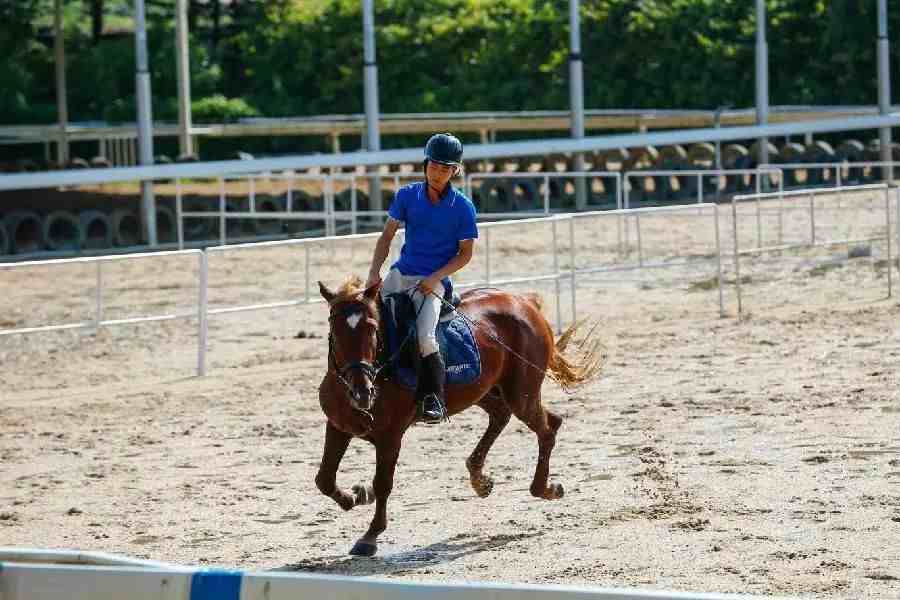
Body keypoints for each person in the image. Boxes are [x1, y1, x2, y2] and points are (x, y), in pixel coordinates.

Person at [366, 133, 478, 424]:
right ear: (426, 164)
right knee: (365, 318)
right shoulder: (406, 196)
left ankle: (433, 399)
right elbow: (386, 237)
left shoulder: (463, 207)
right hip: (401, 273)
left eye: (446, 169)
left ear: (455, 171)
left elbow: (465, 255)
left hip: (433, 281)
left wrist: (436, 277)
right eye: (434, 166)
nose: (438, 173)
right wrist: (373, 273)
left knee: (426, 337)